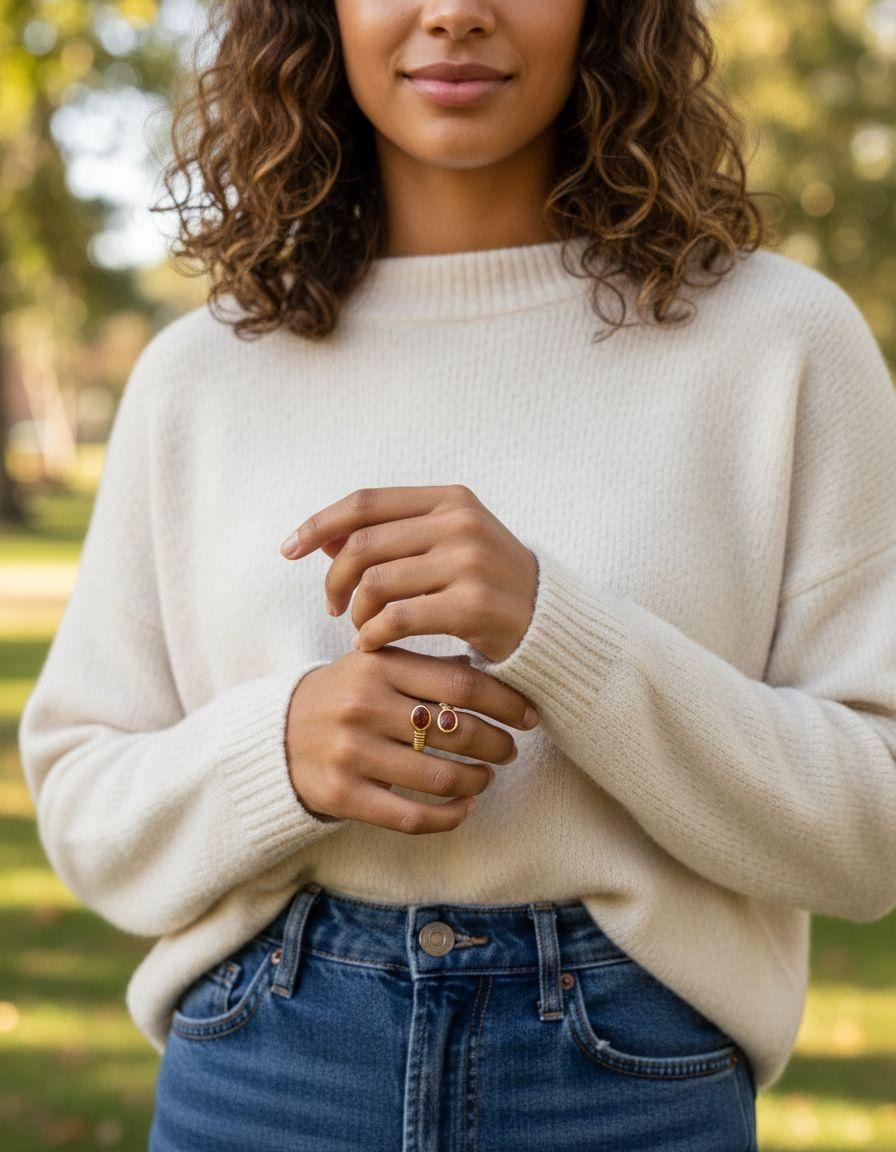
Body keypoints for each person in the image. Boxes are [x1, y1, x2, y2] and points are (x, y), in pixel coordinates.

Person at [18, 0, 896, 1148]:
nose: (455, 14)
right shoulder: (200, 374)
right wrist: (277, 753)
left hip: (629, 1091)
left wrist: (556, 632)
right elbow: (84, 804)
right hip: (261, 1079)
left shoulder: (779, 342)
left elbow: (874, 829)